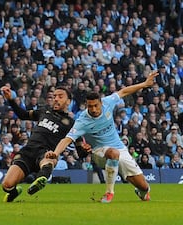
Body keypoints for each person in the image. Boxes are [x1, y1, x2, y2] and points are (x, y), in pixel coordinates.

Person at [50, 70, 158, 203]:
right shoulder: (82, 121)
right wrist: (55, 153)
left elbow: (124, 91)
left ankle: (141, 191)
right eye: (90, 106)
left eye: (96, 105)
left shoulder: (108, 102)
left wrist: (145, 84)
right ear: (86, 105)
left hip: (119, 147)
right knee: (113, 153)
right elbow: (67, 139)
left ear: (101, 103)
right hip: (98, 152)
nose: (94, 109)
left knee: (144, 187)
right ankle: (109, 193)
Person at [1, 86, 75, 202]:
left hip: (45, 153)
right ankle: (14, 192)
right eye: (54, 96)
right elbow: (23, 115)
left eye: (60, 96)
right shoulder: (44, 111)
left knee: (49, 160)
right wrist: (11, 100)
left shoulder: (70, 123)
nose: (56, 99)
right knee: (6, 185)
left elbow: (79, 144)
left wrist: (85, 148)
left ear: (69, 101)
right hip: (28, 151)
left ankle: (41, 179)